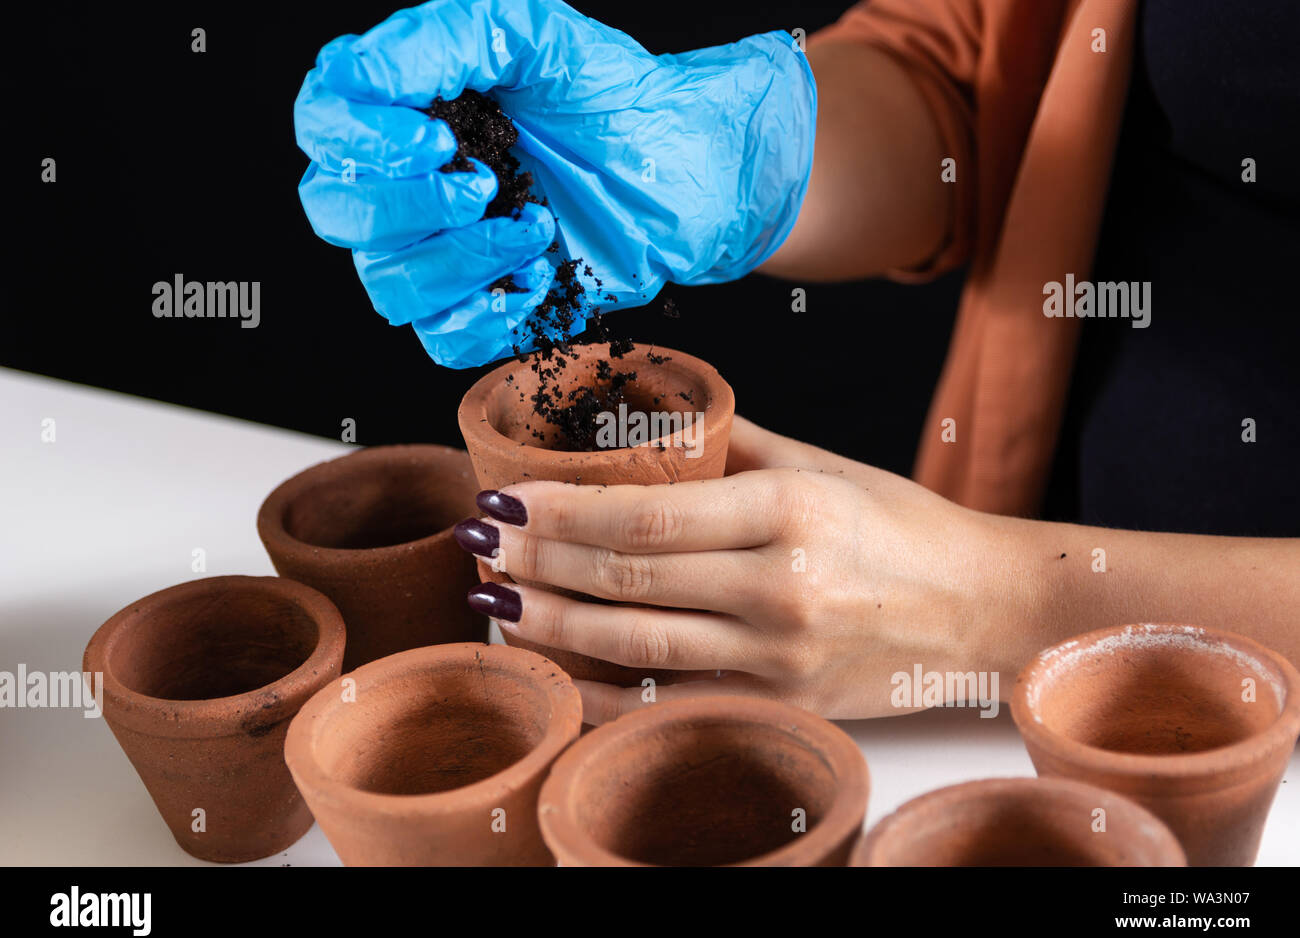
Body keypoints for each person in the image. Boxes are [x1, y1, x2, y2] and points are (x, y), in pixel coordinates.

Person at [294, 0, 1299, 724]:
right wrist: (741, 153)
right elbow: (990, 70)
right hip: (1014, 623)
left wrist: (1007, 604)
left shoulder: (997, 611)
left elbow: (994, 606)